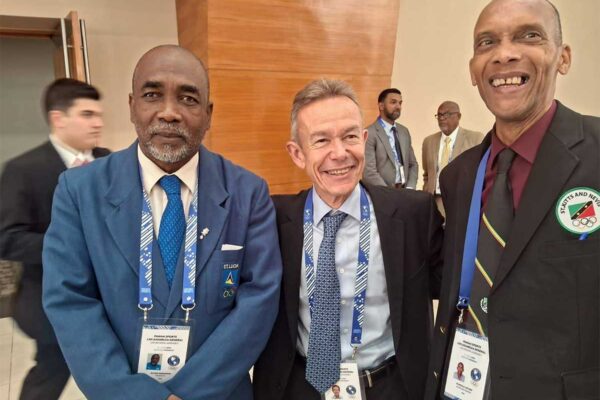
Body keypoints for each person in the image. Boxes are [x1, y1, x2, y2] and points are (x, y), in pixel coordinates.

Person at [42, 45, 282, 400]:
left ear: (208, 113)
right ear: (131, 106)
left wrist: (186, 395)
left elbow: (258, 300)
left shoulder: (248, 192)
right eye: (152, 94)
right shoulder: (79, 192)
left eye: (188, 98)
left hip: (218, 394)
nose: (169, 113)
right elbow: (70, 301)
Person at [426, 1, 599, 399]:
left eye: (529, 35)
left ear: (563, 57)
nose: (504, 53)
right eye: (487, 42)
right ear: (473, 70)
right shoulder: (459, 176)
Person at [253, 79, 443, 400]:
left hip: (390, 385)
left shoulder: (414, 214)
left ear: (364, 140)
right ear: (298, 154)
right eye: (321, 140)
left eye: (350, 136)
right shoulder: (272, 219)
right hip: (300, 386)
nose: (339, 153)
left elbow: (452, 289)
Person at [0, 78, 108, 400]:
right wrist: (69, 248)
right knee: (51, 372)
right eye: (87, 114)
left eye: (100, 115)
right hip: (52, 300)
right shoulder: (23, 169)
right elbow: (7, 238)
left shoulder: (109, 161)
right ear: (58, 118)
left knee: (117, 372)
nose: (98, 123)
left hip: (111, 296)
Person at [422, 101, 483, 217]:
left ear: (458, 116)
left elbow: (480, 172)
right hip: (435, 202)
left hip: (462, 202)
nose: (442, 119)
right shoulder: (429, 141)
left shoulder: (475, 139)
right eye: (439, 115)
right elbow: (426, 175)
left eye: (447, 114)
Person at [363, 88, 419, 189]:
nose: (398, 107)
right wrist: (389, 194)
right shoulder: (370, 133)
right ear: (381, 106)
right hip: (381, 194)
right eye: (393, 102)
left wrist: (410, 188)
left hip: (404, 192)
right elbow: (369, 172)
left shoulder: (404, 131)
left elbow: (413, 164)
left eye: (400, 103)